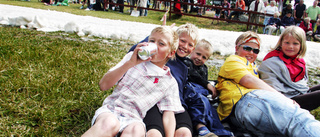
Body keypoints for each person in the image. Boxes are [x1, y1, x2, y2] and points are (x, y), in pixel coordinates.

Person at [81, 26, 185, 137]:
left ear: (170, 53)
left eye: (161, 44)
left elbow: (168, 114)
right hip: (112, 109)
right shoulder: (132, 59)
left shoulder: (169, 82)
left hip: (134, 118)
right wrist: (130, 63)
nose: (154, 45)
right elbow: (103, 85)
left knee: (136, 130)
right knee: (109, 123)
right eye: (152, 41)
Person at [215, 30, 320, 136]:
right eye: (247, 48)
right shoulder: (234, 60)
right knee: (298, 119)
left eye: (255, 51)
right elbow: (248, 80)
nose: (251, 53)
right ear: (237, 48)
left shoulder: (252, 66)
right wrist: (283, 98)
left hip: (243, 111)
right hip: (246, 99)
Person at [129, 23, 200, 137]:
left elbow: (184, 87)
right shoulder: (157, 56)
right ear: (174, 40)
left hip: (176, 104)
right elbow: (135, 51)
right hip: (152, 102)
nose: (185, 46)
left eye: (190, 44)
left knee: (185, 133)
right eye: (182, 41)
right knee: (154, 133)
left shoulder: (184, 67)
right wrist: (159, 35)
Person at [259, 26, 320, 111]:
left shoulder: (299, 61)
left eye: (295, 43)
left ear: (301, 45)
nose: (290, 46)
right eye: (287, 42)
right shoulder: (271, 62)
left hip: (299, 93)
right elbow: (272, 90)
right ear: (281, 43)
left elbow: (302, 85)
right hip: (285, 100)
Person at [182, 39, 233, 137]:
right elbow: (193, 75)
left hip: (201, 93)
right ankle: (201, 128)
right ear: (192, 50)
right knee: (200, 102)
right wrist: (207, 84)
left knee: (211, 109)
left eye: (204, 57)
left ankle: (220, 131)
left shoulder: (204, 68)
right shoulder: (187, 63)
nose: (199, 58)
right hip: (190, 90)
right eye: (198, 54)